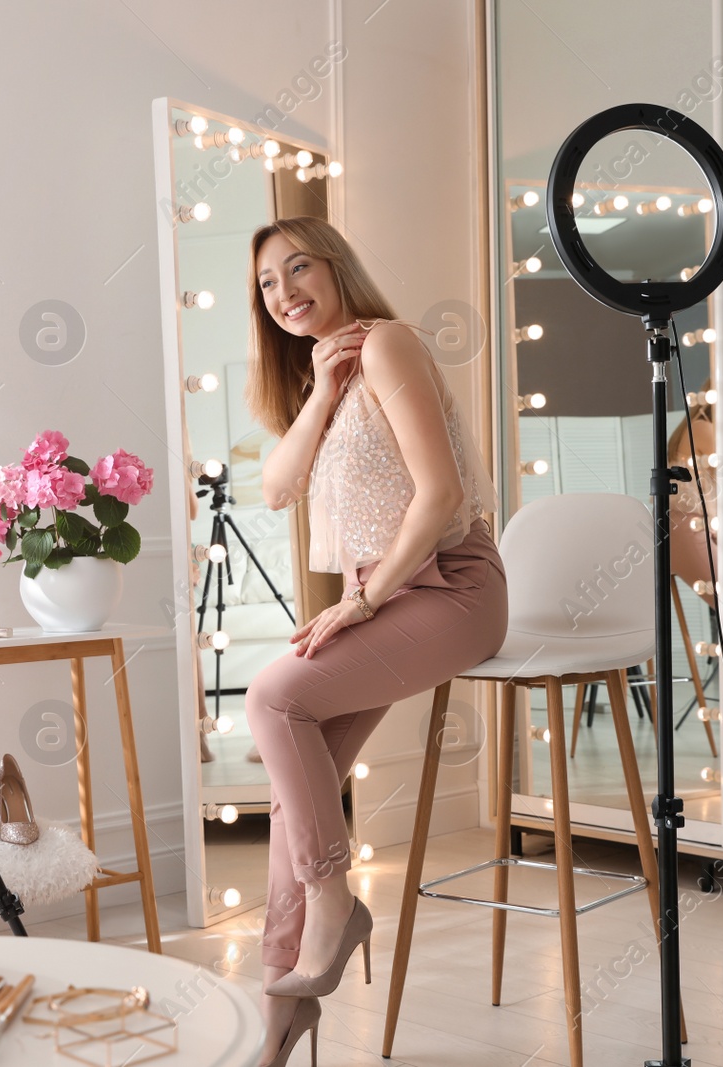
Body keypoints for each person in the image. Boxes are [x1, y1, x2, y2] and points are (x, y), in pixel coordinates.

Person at [242, 216, 509, 1067]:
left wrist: (359, 602)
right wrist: (320, 391)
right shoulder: (328, 374)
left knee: (272, 696)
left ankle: (334, 902)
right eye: (267, 286)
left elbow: (439, 496)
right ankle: (278, 1010)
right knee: (294, 786)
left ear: (337, 266)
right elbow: (275, 487)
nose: (284, 294)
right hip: (395, 592)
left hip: (455, 587)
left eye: (298, 270)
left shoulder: (390, 343)